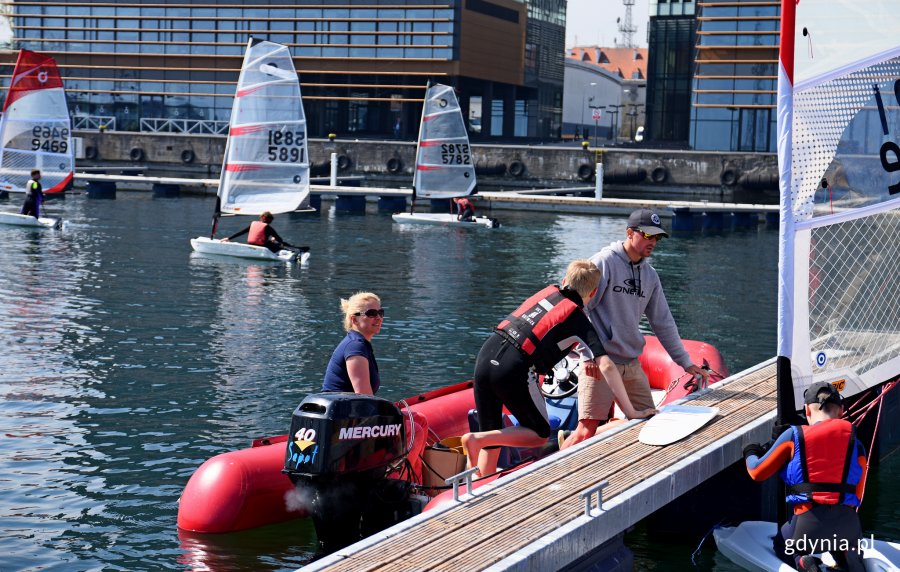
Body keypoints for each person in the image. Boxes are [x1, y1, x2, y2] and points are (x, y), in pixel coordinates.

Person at [461, 260, 652, 478]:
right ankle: (477, 439)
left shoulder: (546, 294)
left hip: (486, 354)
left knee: (492, 431)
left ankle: (481, 479)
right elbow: (606, 365)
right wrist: (631, 411)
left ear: (564, 281)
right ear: (594, 292)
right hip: (514, 369)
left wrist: (582, 355)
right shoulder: (578, 319)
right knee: (540, 434)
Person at [565, 209, 708, 448]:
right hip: (599, 363)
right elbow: (577, 308)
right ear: (630, 233)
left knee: (649, 418)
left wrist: (685, 362)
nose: (653, 242)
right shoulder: (604, 262)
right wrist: (588, 355)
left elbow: (663, 321)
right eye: (648, 235)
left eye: (657, 238)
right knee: (585, 430)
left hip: (631, 363)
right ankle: (559, 469)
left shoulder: (650, 276)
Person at [742, 381, 867, 571]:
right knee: (845, 546)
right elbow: (858, 493)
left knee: (782, 545)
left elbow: (757, 473)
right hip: (848, 525)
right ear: (841, 411)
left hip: (807, 526)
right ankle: (846, 555)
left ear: (807, 410)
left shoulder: (794, 435)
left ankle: (804, 561)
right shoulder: (857, 444)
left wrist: (750, 452)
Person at [322, 292, 384, 395]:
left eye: (380, 313)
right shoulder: (355, 346)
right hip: (342, 409)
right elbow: (364, 396)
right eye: (372, 313)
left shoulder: (358, 343)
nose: (378, 318)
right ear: (354, 319)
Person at [221, 211, 308, 254]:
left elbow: (241, 232)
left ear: (261, 218)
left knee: (276, 242)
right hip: (262, 246)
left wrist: (228, 238)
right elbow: (279, 239)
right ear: (269, 221)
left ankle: (296, 248)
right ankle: (299, 251)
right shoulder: (268, 227)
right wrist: (277, 242)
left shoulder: (253, 224)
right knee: (283, 244)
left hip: (251, 245)